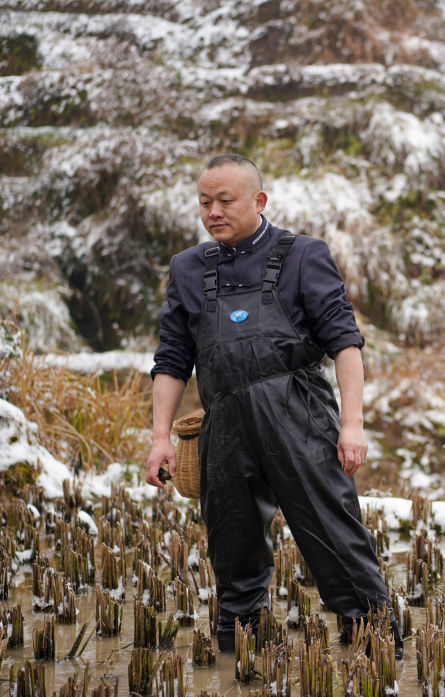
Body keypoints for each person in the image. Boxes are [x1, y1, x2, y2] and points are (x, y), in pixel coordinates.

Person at [144, 154, 401, 658]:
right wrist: (159, 438)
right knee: (232, 549)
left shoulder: (303, 254)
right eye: (204, 202)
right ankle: (244, 665)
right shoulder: (189, 268)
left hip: (298, 415)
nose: (212, 211)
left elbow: (345, 343)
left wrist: (352, 425)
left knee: (334, 536)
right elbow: (172, 359)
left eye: (225, 200)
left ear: (259, 201)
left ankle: (377, 658)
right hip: (225, 426)